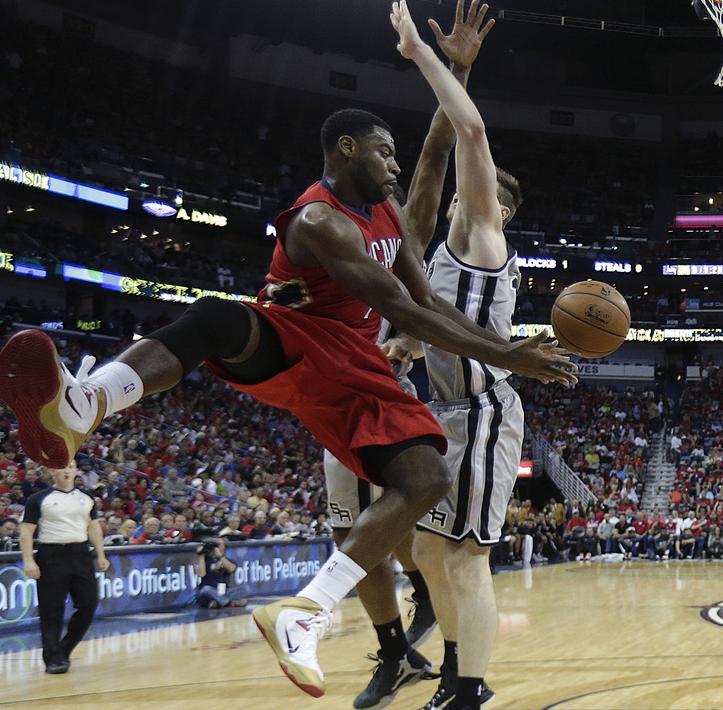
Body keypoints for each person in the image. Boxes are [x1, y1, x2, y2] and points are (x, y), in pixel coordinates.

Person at [0, 15, 574, 701]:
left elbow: (435, 156)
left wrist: (453, 67)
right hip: (298, 342)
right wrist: (510, 352)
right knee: (215, 316)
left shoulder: (393, 214)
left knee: (424, 478)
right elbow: (413, 309)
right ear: (348, 149)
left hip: (357, 371)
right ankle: (85, 402)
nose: (395, 165)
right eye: (382, 153)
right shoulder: (319, 220)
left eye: (398, 157)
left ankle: (305, 611)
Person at [386, 4, 526, 708]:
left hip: (484, 409)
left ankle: (469, 690)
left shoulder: (480, 234)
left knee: (467, 555)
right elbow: (434, 154)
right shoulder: (439, 246)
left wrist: (420, 54)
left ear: (501, 211)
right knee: (424, 551)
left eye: (491, 192)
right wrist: (409, 339)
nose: (479, 192)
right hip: (445, 411)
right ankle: (453, 663)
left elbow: (467, 131)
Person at [19, 462, 110, 674]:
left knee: (88, 604)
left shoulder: (86, 498)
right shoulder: (38, 499)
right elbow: (26, 531)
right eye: (62, 467)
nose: (67, 471)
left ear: (76, 470)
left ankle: (63, 649)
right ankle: (52, 658)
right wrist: (28, 560)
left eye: (71, 466)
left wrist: (101, 554)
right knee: (51, 610)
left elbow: (93, 526)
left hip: (80, 554)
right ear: (52, 471)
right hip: (51, 555)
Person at [194, 538, 247, 609]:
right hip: (208, 592)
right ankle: (228, 602)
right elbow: (201, 574)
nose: (217, 546)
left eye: (219, 544)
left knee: (245, 589)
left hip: (223, 592)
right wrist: (201, 554)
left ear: (224, 546)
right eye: (215, 545)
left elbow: (231, 569)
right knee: (205, 590)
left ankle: (217, 602)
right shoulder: (206, 560)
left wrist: (220, 556)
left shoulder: (228, 560)